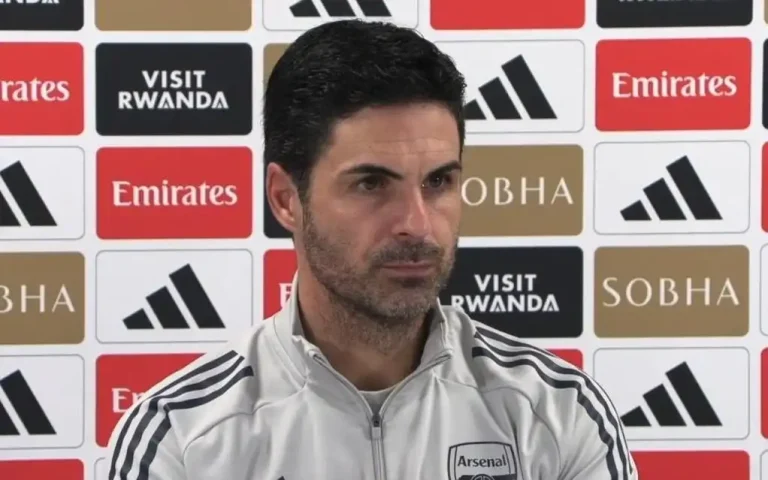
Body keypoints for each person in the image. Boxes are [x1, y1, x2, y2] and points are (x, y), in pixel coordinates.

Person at [106, 19, 638, 480]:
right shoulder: (181, 438)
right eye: (371, 184)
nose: (417, 224)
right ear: (285, 199)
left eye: (438, 181)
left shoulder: (558, 413)